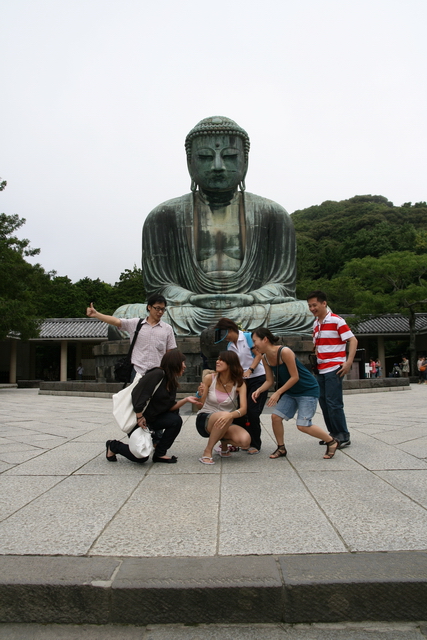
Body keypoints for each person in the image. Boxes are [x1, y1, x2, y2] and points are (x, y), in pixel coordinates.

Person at [139, 116, 313, 336]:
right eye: (205, 157)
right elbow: (159, 287)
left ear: (245, 162)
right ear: (190, 163)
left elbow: (282, 285)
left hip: (251, 308)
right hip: (191, 310)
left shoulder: (273, 214)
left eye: (230, 157)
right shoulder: (163, 216)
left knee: (305, 313)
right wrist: (191, 298)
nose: (218, 166)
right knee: (128, 314)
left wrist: (251, 298)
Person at [251, 328, 338, 460]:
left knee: (303, 425)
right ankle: (281, 448)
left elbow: (295, 377)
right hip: (291, 391)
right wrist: (259, 390)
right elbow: (269, 381)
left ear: (265, 339)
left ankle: (331, 441)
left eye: (255, 341)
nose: (254, 345)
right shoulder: (265, 358)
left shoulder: (284, 351)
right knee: (275, 417)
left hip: (307, 390)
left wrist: (278, 393)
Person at [106, 350, 201, 464]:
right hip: (138, 419)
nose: (184, 366)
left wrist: (186, 400)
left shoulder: (171, 381)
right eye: (183, 362)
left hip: (151, 419)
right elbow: (138, 394)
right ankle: (113, 446)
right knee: (141, 457)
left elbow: (169, 407)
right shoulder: (157, 374)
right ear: (174, 363)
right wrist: (139, 416)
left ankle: (160, 453)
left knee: (175, 421)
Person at [307, 290, 358, 448]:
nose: (312, 308)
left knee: (333, 402)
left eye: (314, 305)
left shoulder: (337, 320)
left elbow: (353, 340)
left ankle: (343, 435)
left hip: (334, 367)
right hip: (320, 368)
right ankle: (333, 434)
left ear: (324, 303)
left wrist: (348, 362)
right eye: (309, 306)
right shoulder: (316, 324)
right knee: (324, 402)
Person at [87, 294, 176, 380]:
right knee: (136, 391)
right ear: (149, 307)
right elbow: (116, 321)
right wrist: (97, 314)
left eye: (163, 309)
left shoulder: (167, 329)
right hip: (138, 371)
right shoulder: (136, 324)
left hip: (157, 372)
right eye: (157, 308)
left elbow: (169, 353)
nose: (160, 312)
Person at [213, 318, 268, 454]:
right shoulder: (229, 346)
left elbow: (259, 355)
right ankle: (239, 441)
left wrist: (250, 370)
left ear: (231, 330)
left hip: (258, 378)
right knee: (240, 411)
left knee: (253, 412)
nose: (226, 338)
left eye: (226, 335)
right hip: (242, 380)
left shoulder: (248, 337)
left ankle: (255, 444)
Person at [196, 351, 250, 465]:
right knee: (225, 415)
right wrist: (199, 395)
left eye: (222, 360)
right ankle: (207, 451)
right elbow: (199, 406)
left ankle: (224, 446)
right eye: (218, 359)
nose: (217, 361)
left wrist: (230, 415)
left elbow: (243, 409)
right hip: (205, 418)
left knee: (245, 441)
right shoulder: (209, 378)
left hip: (226, 420)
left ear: (231, 364)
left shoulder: (239, 384)